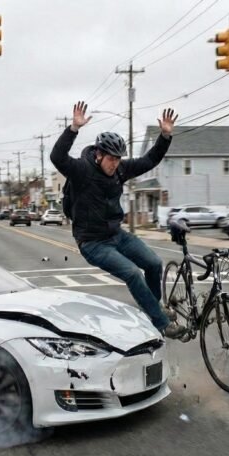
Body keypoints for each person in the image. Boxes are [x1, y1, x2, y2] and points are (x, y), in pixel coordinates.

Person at [50, 101, 185, 339]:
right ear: (99, 154)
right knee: (133, 273)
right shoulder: (81, 170)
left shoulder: (121, 170)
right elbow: (57, 157)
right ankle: (161, 323)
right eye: (111, 158)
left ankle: (152, 309)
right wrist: (73, 128)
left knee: (154, 263)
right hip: (92, 243)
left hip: (116, 235)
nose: (115, 163)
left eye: (118, 158)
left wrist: (164, 136)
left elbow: (149, 160)